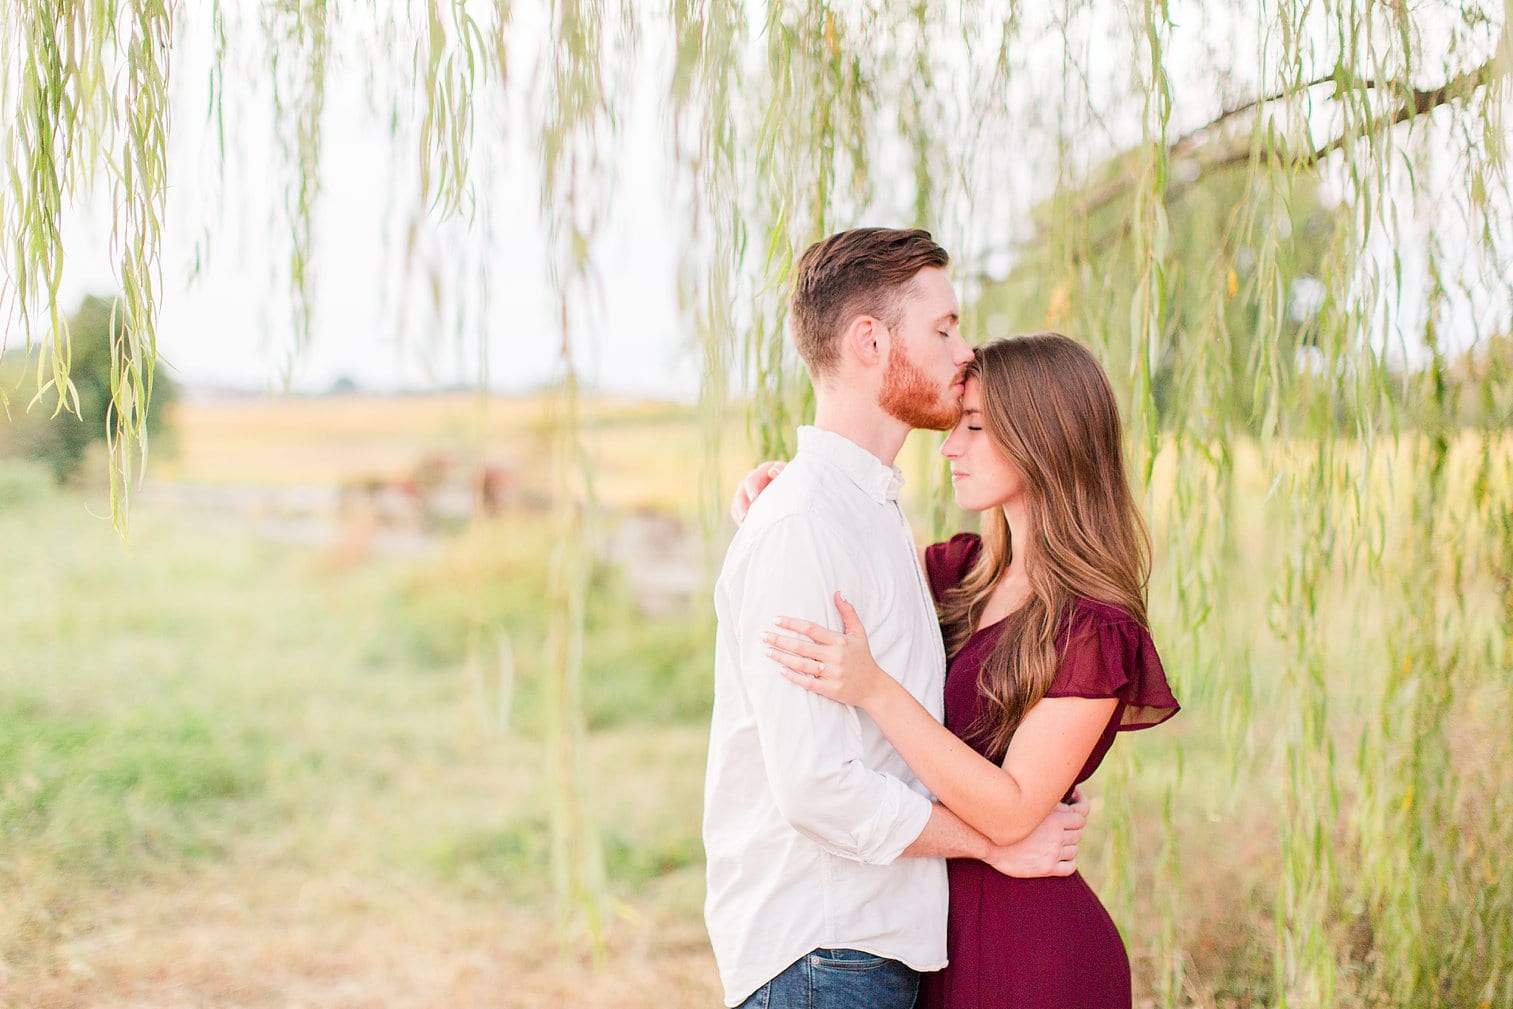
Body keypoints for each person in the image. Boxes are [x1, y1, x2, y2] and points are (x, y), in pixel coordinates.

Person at [704, 230, 1092, 1009]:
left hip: (865, 947)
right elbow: (817, 788)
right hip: (821, 949)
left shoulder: (861, 514)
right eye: (943, 328)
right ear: (870, 341)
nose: (962, 351)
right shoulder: (806, 523)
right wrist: (994, 840)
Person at [748, 333, 1181, 1009]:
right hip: (927, 935)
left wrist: (873, 689)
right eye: (956, 426)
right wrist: (781, 500)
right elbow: (839, 560)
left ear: (1046, 437)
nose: (950, 447)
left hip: (1029, 953)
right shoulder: (957, 575)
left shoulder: (1094, 627)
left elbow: (1012, 809)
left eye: (975, 427)